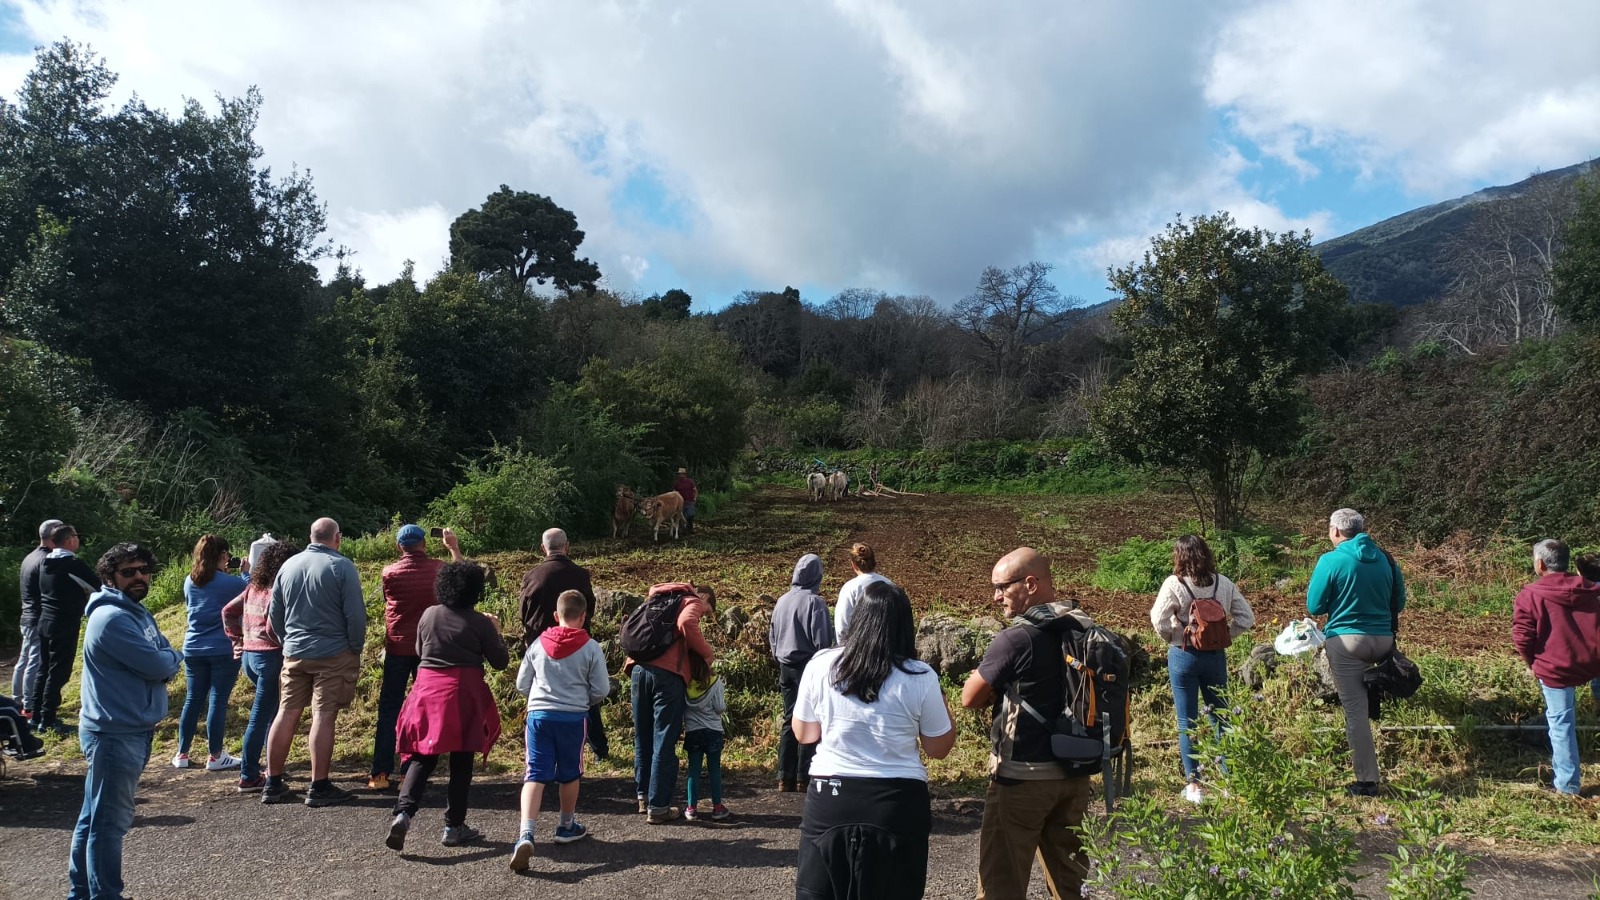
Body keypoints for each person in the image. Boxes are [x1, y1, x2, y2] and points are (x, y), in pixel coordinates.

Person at [793, 580, 955, 899]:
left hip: (830, 798)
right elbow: (938, 748)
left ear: (858, 619)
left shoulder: (821, 665)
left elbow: (804, 733)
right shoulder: (920, 676)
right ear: (905, 626)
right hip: (897, 802)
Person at [961, 547, 1097, 899]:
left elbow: (969, 698)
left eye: (1002, 587)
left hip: (1023, 778)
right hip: (1076, 776)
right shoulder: (1084, 629)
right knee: (1071, 883)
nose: (996, 597)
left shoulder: (1016, 639)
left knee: (1000, 882)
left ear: (1031, 584)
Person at [69, 542, 182, 900]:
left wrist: (166, 658)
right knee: (108, 824)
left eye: (143, 570)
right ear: (109, 578)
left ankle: (83, 892)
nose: (139, 577)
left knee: (94, 819)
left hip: (127, 728)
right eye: (128, 572)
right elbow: (159, 663)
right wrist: (169, 660)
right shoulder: (113, 618)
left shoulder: (134, 611)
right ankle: (104, 896)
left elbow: (162, 652)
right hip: (115, 734)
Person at [385, 561, 510, 851]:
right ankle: (454, 826)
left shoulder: (429, 614)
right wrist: (496, 630)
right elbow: (500, 662)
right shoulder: (479, 622)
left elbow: (419, 650)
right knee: (461, 761)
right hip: (462, 693)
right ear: (475, 591)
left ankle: (404, 813)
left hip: (427, 690)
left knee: (421, 756)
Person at [262, 517, 367, 807]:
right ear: (338, 537)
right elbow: (355, 615)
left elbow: (274, 617)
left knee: (286, 713)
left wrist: (287, 641)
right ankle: (318, 785)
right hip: (333, 653)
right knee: (323, 715)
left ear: (310, 536)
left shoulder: (288, 566)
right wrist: (354, 647)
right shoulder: (342, 566)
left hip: (294, 652)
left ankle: (273, 783)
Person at [1306, 508, 1404, 797]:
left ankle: (1367, 780)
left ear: (1336, 531)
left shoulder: (1331, 560)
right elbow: (1398, 602)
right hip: (1383, 640)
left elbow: (1315, 606)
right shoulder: (1386, 559)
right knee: (1366, 699)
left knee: (1355, 712)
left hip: (1347, 641)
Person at [1149, 534, 1255, 804]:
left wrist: (1174, 634)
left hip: (1184, 655)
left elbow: (1158, 619)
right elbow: (1247, 617)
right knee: (1221, 717)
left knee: (1187, 721)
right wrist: (1226, 635)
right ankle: (1230, 781)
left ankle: (1194, 786)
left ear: (1179, 556)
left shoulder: (1174, 583)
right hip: (1215, 657)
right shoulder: (1224, 583)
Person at [510, 589, 611, 871]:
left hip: (539, 716)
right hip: (573, 717)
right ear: (583, 616)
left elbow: (521, 684)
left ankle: (526, 833)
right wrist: (583, 700)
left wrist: (538, 699)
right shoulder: (591, 647)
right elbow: (601, 689)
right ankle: (566, 825)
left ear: (556, 616)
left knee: (535, 773)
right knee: (570, 772)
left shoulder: (538, 644)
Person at [371, 524, 464, 790]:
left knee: (389, 709)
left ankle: (379, 773)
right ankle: (409, 772)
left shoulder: (388, 572)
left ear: (400, 546)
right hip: (429, 649)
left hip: (398, 647)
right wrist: (453, 548)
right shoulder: (438, 569)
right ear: (424, 544)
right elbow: (463, 579)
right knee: (421, 709)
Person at [1512, 539, 1600, 796]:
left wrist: (1532, 664)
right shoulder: (1591, 589)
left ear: (1540, 564)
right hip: (1593, 661)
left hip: (1556, 668)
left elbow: (1522, 637)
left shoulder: (1530, 594)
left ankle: (1568, 785)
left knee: (1561, 722)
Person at [627, 583, 715, 823]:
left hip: (637, 669)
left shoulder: (658, 597)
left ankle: (643, 797)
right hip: (666, 675)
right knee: (664, 739)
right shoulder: (691, 600)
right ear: (705, 596)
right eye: (707, 611)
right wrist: (707, 653)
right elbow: (687, 623)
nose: (703, 615)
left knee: (642, 737)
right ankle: (658, 806)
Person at [517, 527, 606, 759]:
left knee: (539, 692)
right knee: (585, 693)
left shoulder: (532, 576)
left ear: (542, 548)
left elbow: (523, 613)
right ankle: (599, 748)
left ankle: (536, 743)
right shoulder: (580, 575)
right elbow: (590, 607)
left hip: (541, 645)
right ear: (567, 546)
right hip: (577, 643)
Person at [222, 539, 297, 792]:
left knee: (270, 715)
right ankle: (248, 775)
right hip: (270, 657)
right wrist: (285, 645)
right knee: (260, 717)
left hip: (250, 657)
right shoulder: (278, 588)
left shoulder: (254, 586)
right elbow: (271, 626)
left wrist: (237, 640)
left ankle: (270, 766)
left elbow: (228, 612)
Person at [174, 535, 247, 771]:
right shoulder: (233, 583)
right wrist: (246, 573)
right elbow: (250, 594)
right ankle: (215, 756)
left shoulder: (189, 581)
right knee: (217, 699)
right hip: (222, 648)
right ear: (223, 556)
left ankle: (182, 753)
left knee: (193, 699)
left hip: (193, 647)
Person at [770, 553, 834, 791]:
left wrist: (779, 657)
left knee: (789, 718)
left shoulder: (782, 601)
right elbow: (823, 642)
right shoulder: (815, 603)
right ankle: (802, 776)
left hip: (785, 667)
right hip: (808, 667)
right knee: (811, 718)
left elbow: (773, 637)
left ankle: (783, 775)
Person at [32, 523, 99, 735]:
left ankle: (36, 716)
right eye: (76, 536)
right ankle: (49, 720)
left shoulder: (44, 562)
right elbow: (98, 586)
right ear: (70, 540)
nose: (78, 540)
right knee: (58, 672)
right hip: (64, 624)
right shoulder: (72, 564)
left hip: (45, 622)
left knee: (43, 669)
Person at [12, 518, 61, 722]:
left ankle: (17, 701)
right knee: (36, 661)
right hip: (38, 617)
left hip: (26, 616)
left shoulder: (29, 557)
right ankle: (29, 706)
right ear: (53, 535)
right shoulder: (46, 560)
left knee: (24, 660)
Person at [683, 660, 728, 821]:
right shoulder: (715, 683)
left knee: (693, 771)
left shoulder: (685, 683)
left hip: (693, 731)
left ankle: (691, 808)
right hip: (713, 730)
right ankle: (717, 807)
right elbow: (720, 707)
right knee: (714, 770)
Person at [834, 542, 892, 643]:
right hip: (887, 645)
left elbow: (842, 626)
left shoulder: (850, 588)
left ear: (853, 564)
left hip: (857, 647)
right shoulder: (890, 584)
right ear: (874, 562)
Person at [673, 467, 698, 534]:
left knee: (690, 515)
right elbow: (674, 493)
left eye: (682, 474)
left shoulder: (690, 481)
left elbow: (695, 490)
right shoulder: (676, 483)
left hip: (689, 501)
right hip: (681, 502)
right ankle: (682, 529)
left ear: (685, 474)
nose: (680, 476)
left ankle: (690, 527)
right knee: (681, 516)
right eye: (679, 474)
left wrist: (695, 498)